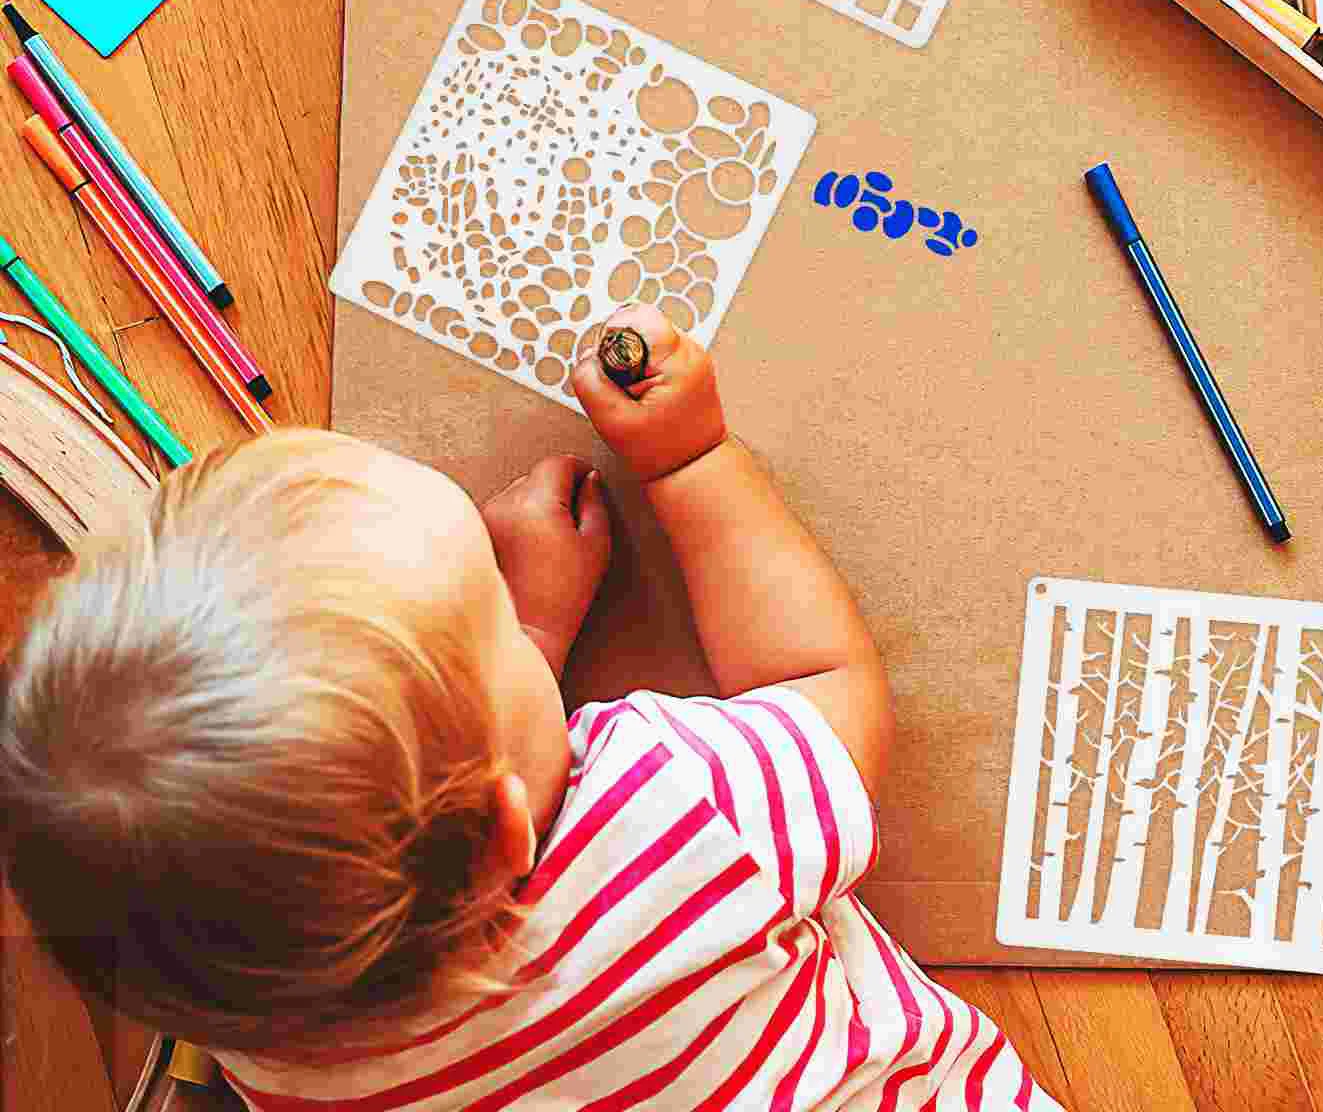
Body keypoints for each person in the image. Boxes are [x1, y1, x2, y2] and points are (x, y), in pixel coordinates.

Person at [0, 303, 1056, 1109]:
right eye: (497, 618)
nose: (513, 609)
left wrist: (532, 635)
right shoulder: (677, 814)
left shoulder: (271, 1049)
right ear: (507, 825)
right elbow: (829, 688)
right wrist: (691, 461)